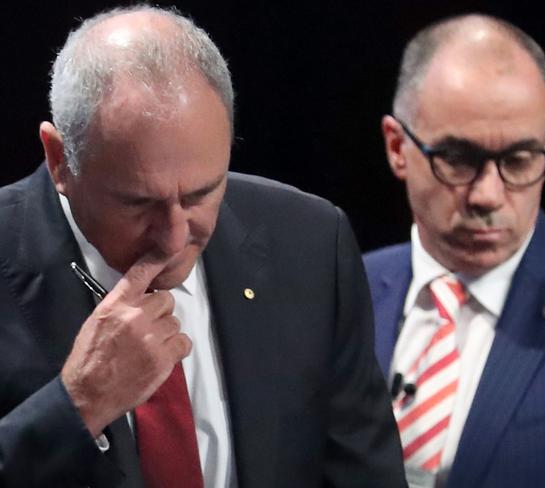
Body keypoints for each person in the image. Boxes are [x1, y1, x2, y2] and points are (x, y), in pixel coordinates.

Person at [0, 6, 406, 488]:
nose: (174, 238)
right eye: (137, 203)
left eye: (201, 194)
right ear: (59, 159)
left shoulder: (311, 242)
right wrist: (78, 404)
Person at [364, 13, 545, 487]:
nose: (488, 195)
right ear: (397, 147)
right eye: (457, 159)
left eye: (519, 159)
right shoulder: (344, 290)